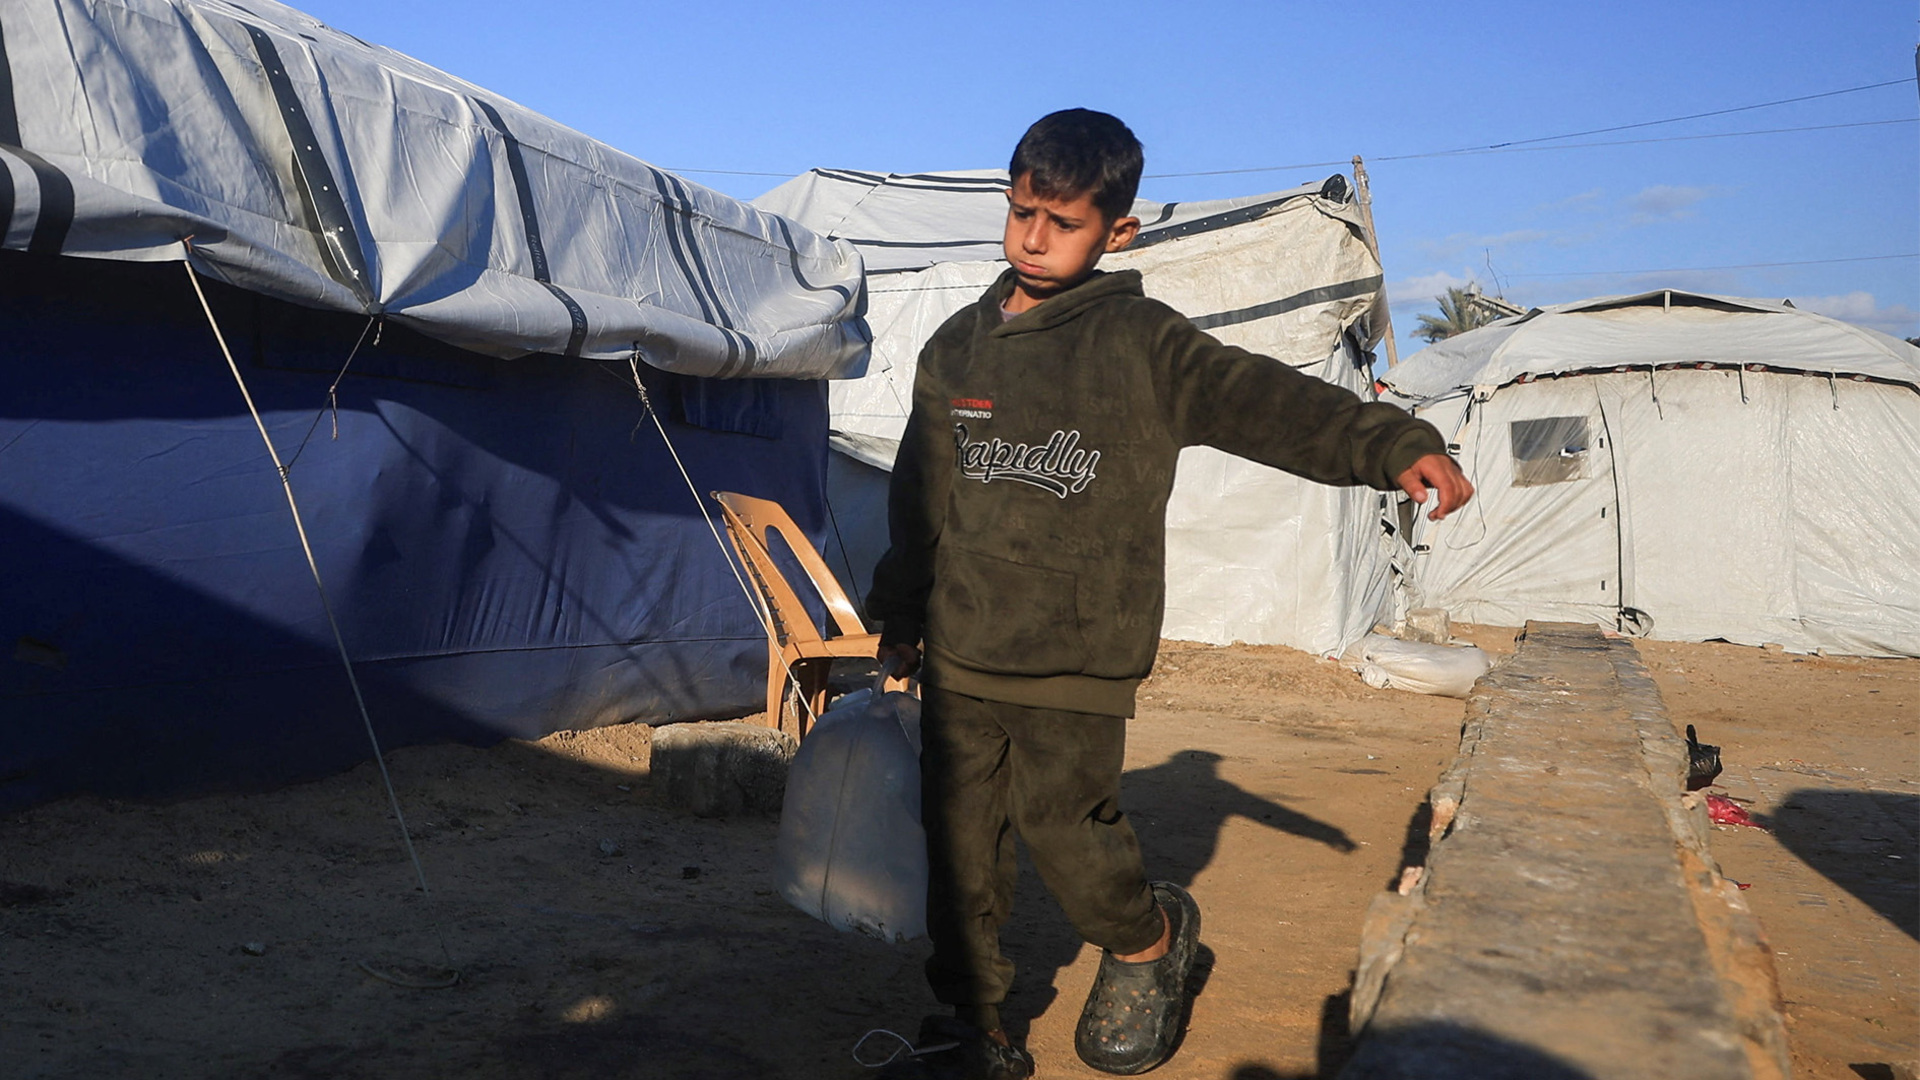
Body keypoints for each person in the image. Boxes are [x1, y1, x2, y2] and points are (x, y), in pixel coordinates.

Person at [866, 108, 1472, 1079]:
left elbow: (1267, 402)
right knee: (960, 852)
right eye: (1021, 213)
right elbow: (920, 493)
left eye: (1062, 223)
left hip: (1078, 656)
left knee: (1069, 836)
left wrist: (1391, 442)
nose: (1032, 238)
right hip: (965, 647)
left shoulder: (1141, 345)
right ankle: (973, 1022)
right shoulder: (956, 349)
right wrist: (900, 613)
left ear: (1118, 233)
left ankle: (1148, 942)